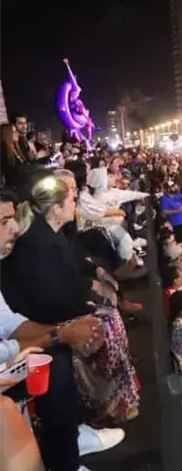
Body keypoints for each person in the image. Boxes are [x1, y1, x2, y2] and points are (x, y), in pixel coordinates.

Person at [0, 187, 122, 470]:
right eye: (5, 221)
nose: (16, 228)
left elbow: (11, 324)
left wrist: (67, 330)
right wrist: (57, 335)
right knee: (52, 364)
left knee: (59, 353)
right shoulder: (37, 244)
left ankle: (72, 439)